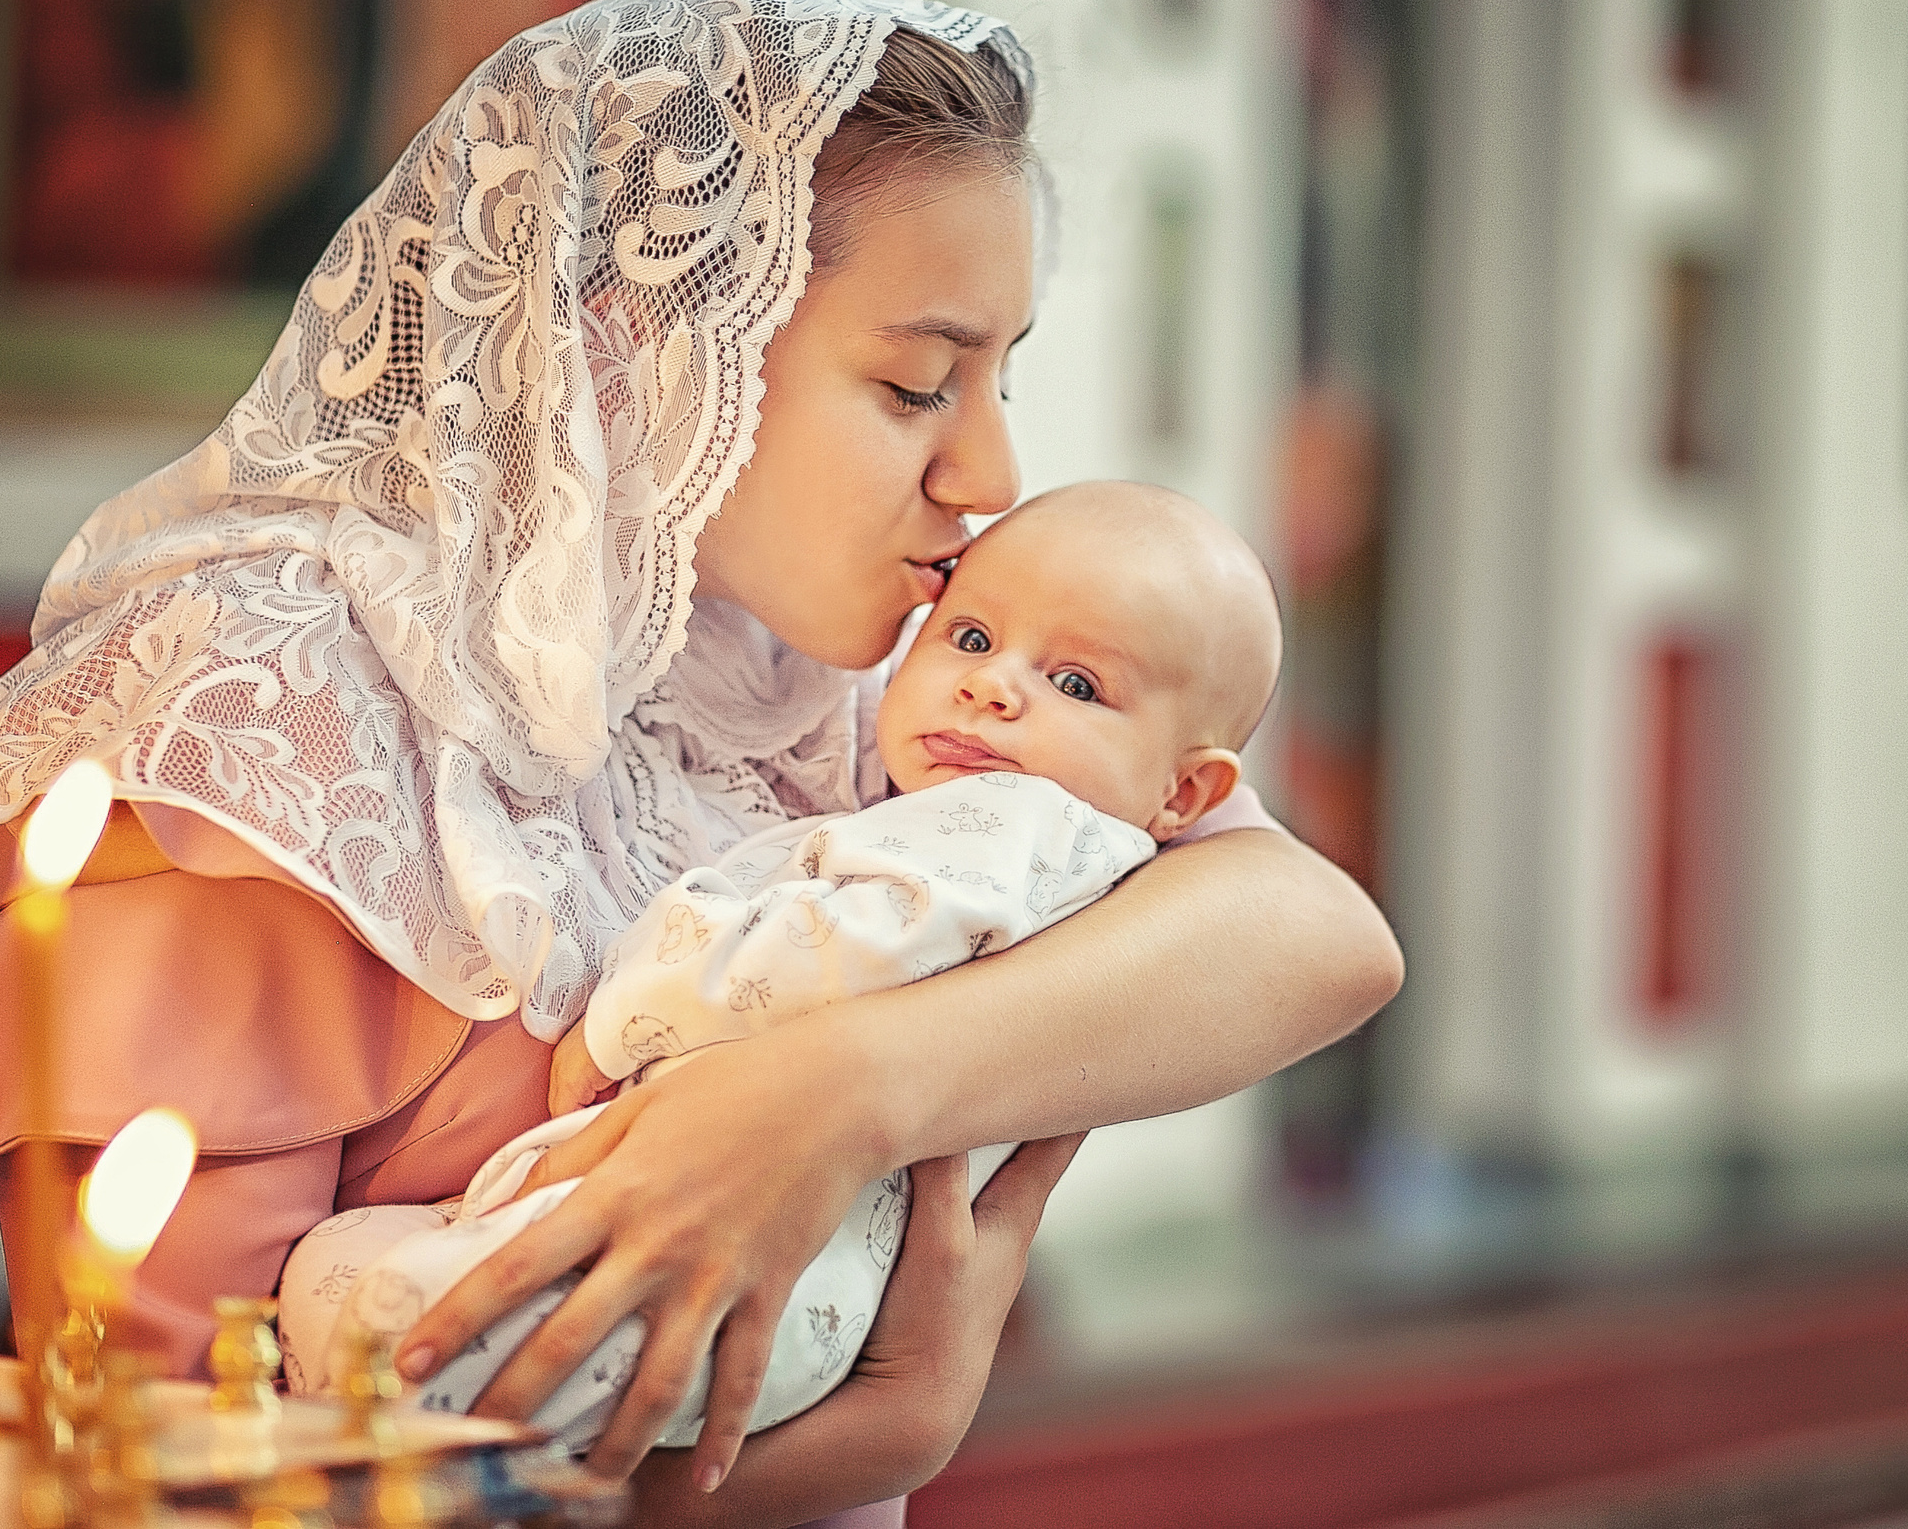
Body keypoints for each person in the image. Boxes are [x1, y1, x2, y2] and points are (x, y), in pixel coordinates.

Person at [0, 0, 1400, 1526]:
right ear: (638, 349)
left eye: (1002, 376)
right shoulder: (270, 724)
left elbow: (1318, 932)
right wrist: (876, 1437)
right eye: (915, 384)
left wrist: (837, 1094)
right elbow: (166, 1481)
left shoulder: (863, 670)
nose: (992, 471)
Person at [277, 481, 1283, 1444]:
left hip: (770, 1269)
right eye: (970, 638)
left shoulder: (1015, 828)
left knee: (396, 1317)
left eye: (1076, 684)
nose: (991, 686)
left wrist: (626, 1013)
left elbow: (826, 957)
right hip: (813, 1297)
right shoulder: (1089, 855)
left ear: (1184, 794)